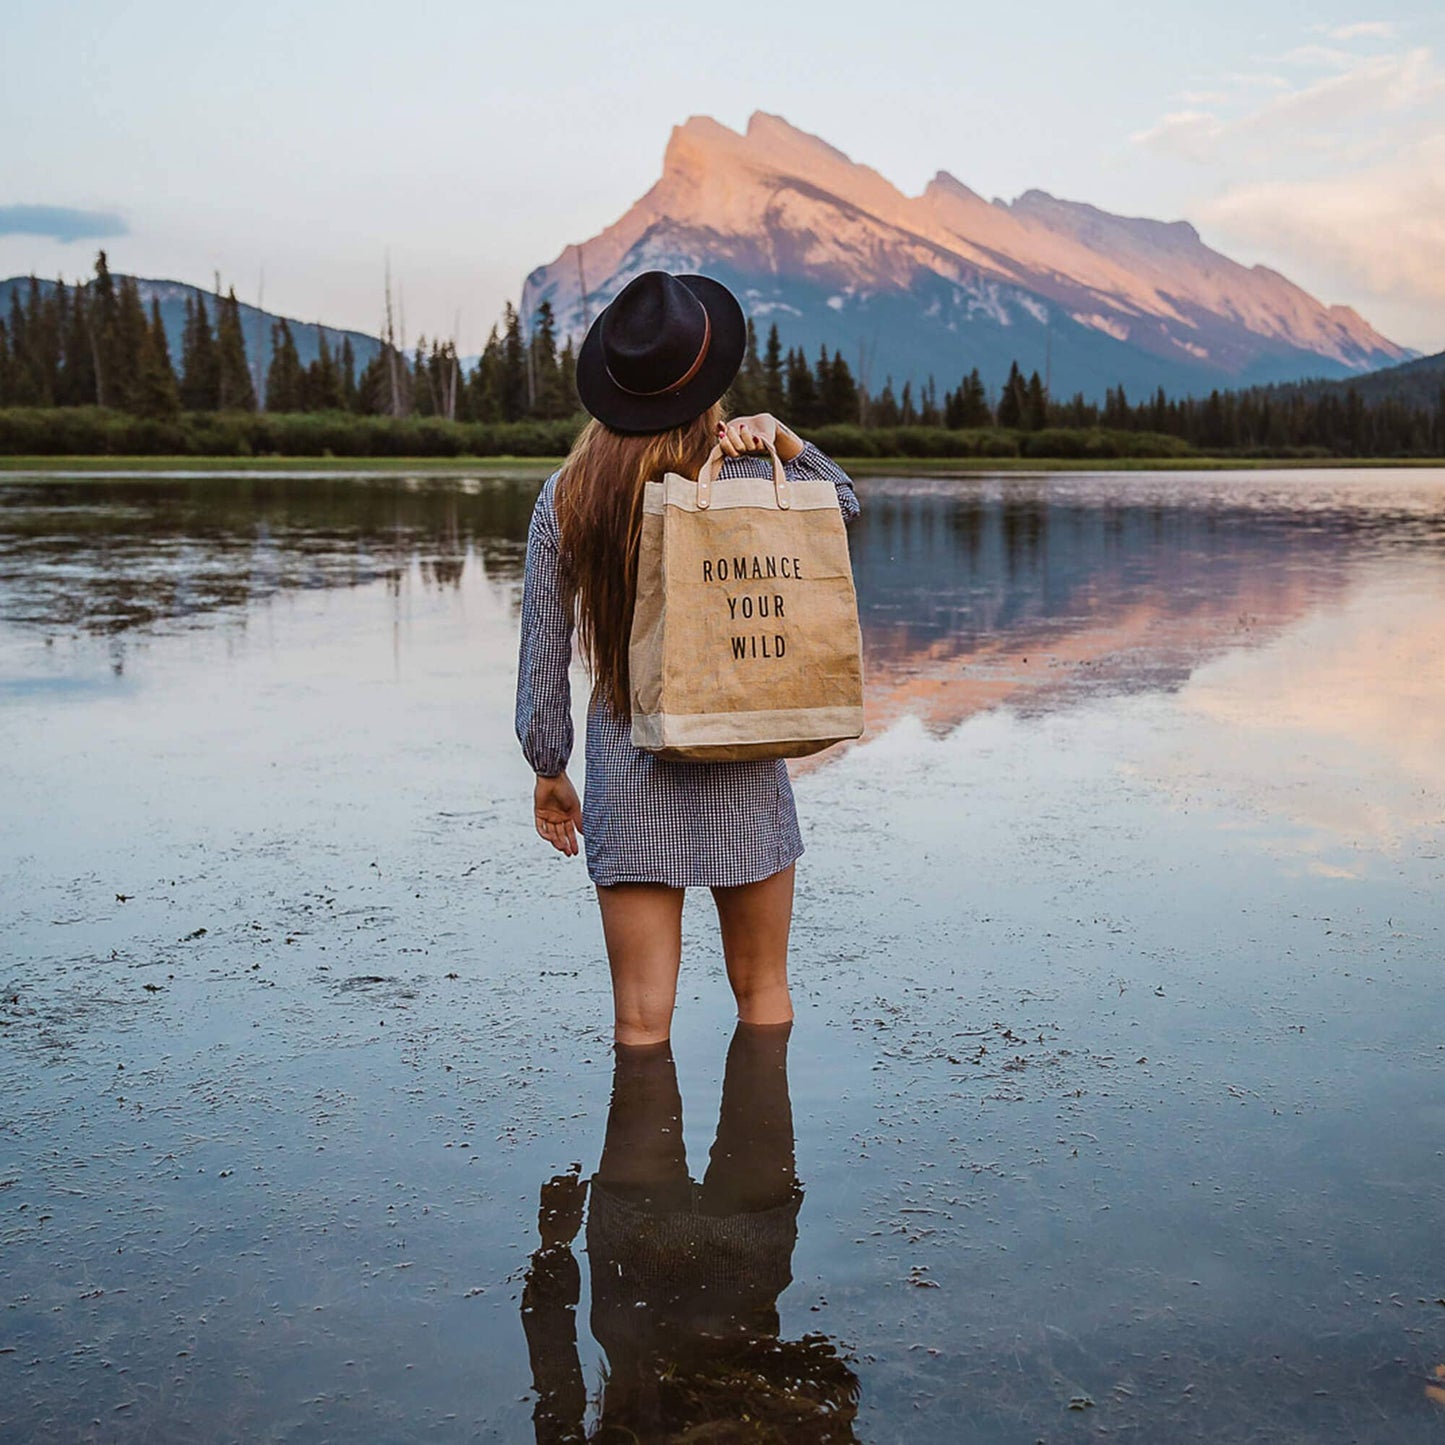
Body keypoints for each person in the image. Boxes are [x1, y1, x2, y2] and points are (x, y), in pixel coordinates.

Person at [515, 271, 859, 1045]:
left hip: (628, 765)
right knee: (764, 993)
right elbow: (842, 505)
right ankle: (763, 1158)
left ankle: (640, 1163)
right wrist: (785, 439)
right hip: (741, 747)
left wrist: (547, 766)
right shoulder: (743, 472)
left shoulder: (568, 494)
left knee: (639, 1022)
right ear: (708, 378)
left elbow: (542, 650)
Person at [520, 1026, 860, 1442]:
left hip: (719, 1268)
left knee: (667, 1036)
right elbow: (557, 1394)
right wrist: (553, 1248)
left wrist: (554, 1249)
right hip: (645, 1271)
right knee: (647, 1049)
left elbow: (557, 1393)